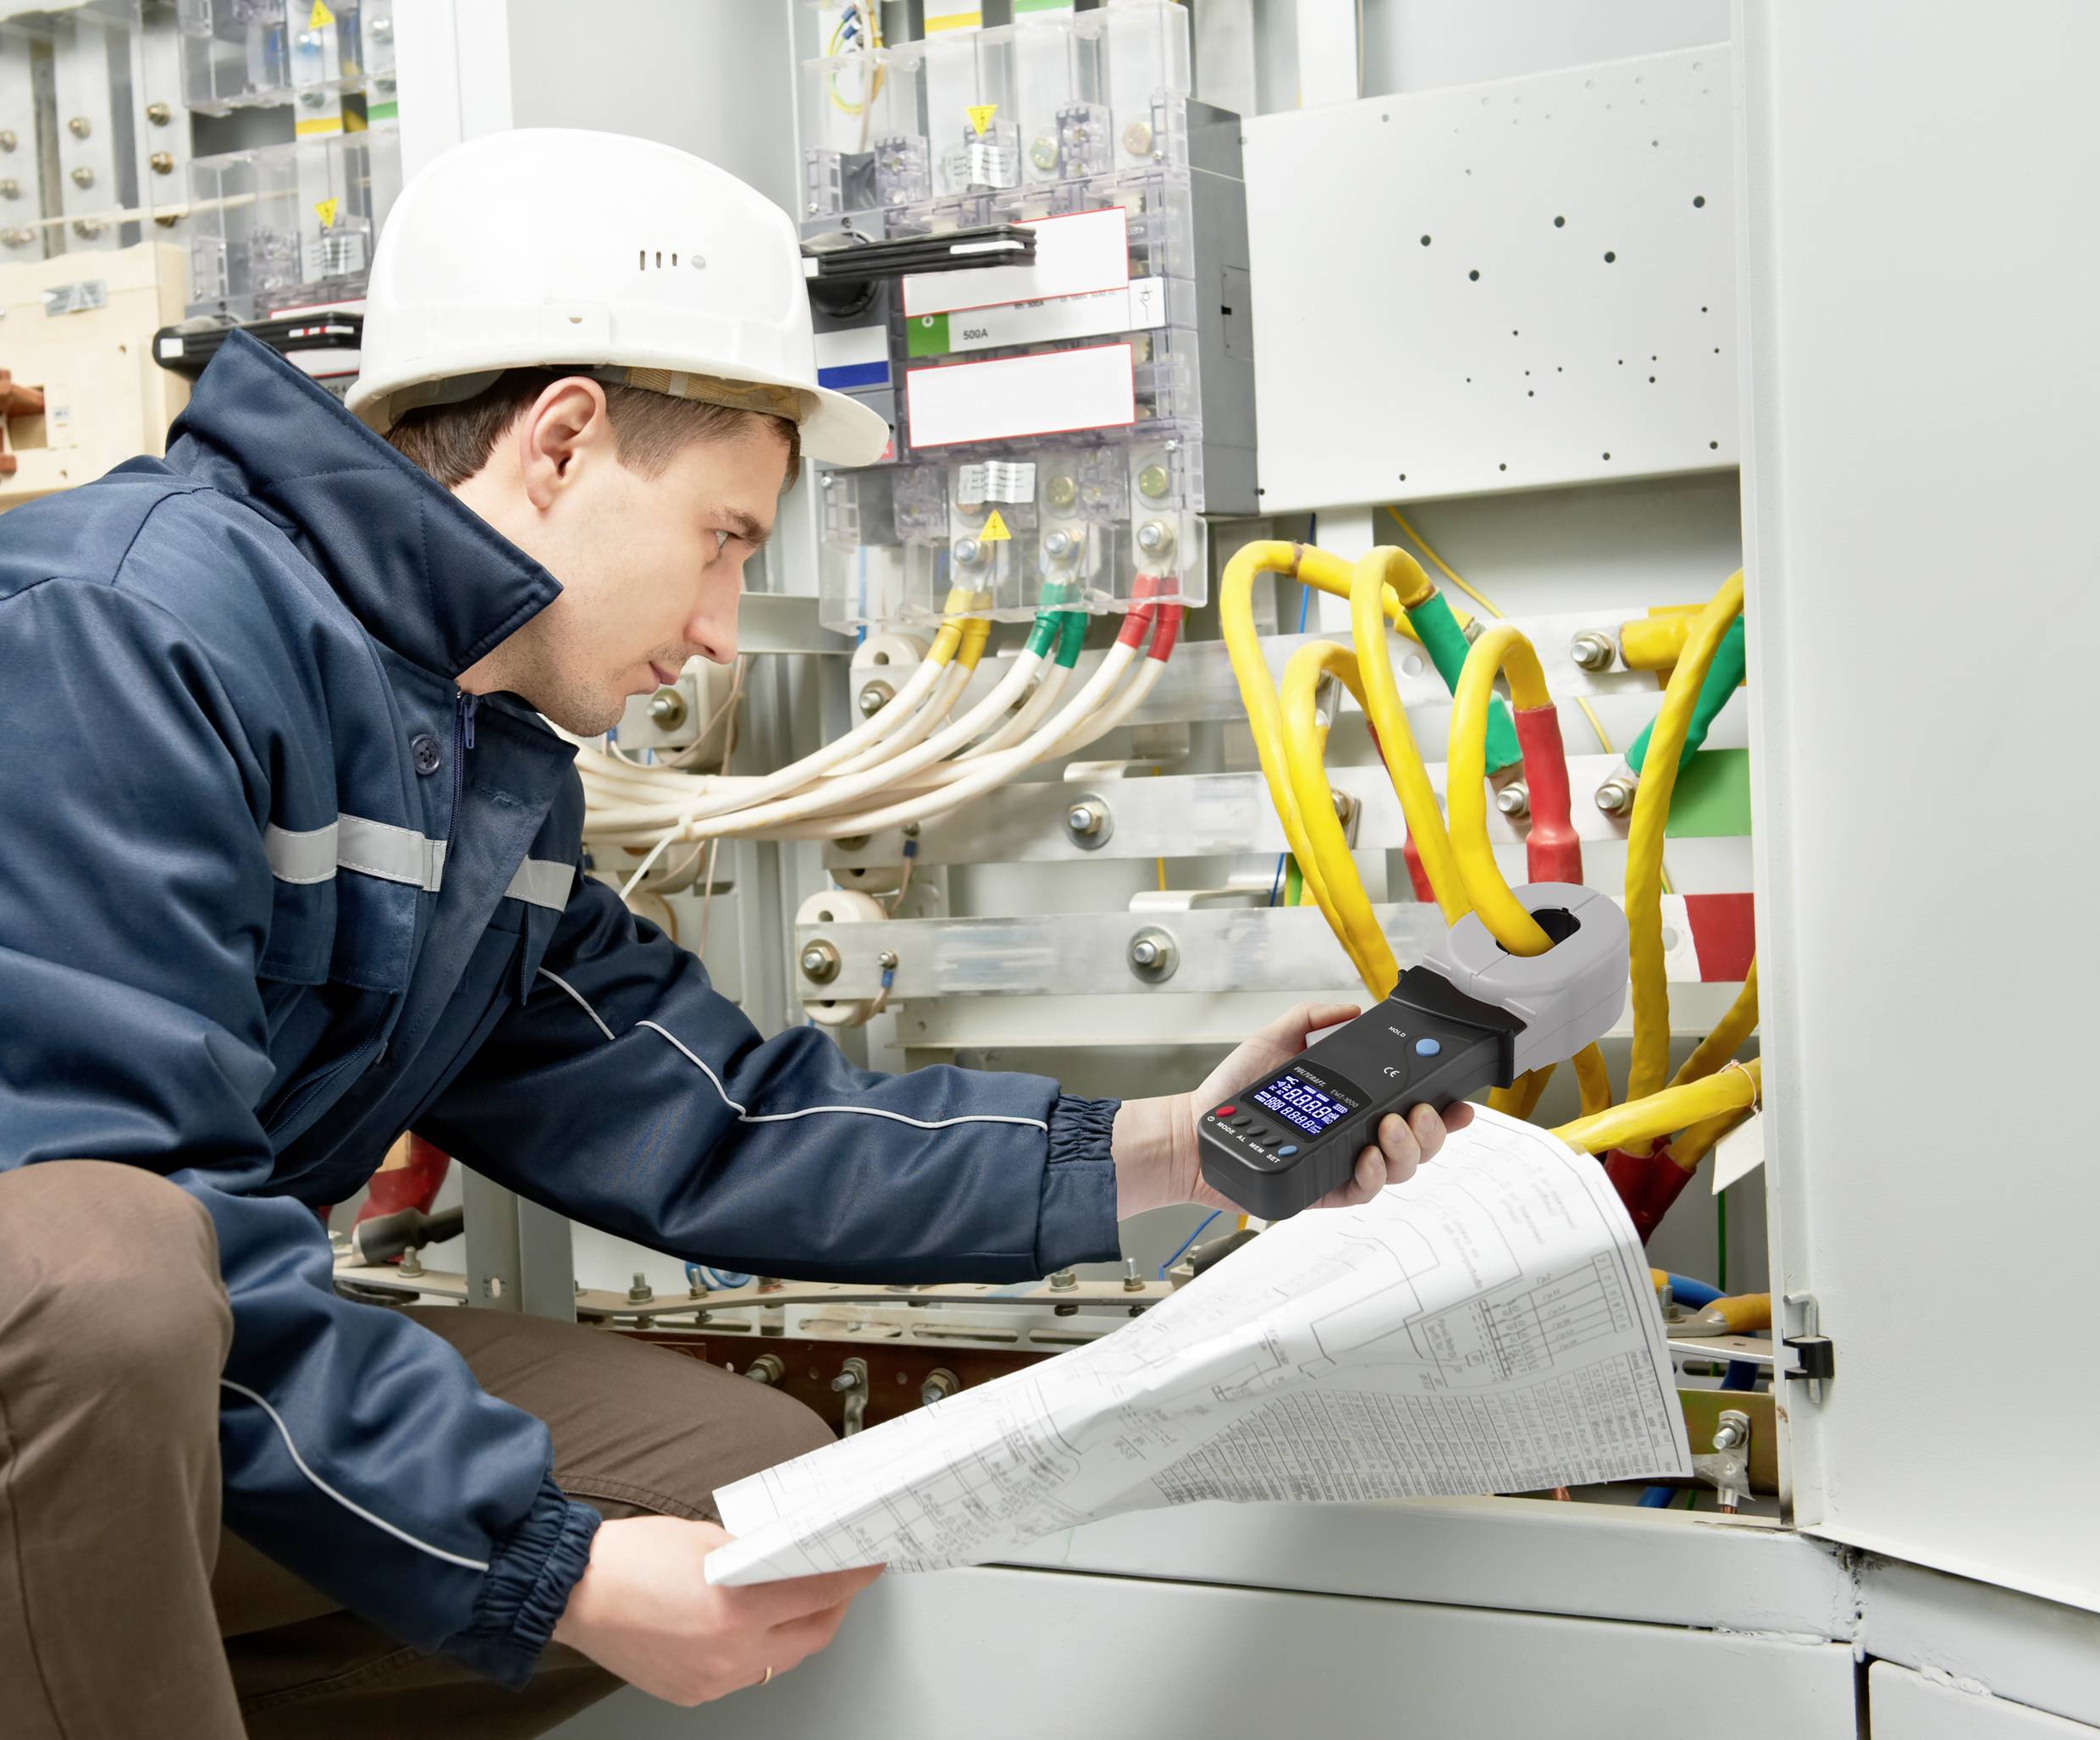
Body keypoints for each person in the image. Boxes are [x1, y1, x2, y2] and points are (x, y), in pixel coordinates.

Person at [0, 130, 1466, 1737]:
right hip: (70, 1346)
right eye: (728, 538)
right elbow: (113, 1212)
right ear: (561, 444)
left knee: (746, 1505)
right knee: (111, 1269)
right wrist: (543, 1566)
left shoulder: (471, 757)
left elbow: (721, 1115)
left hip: (116, 1405)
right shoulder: (117, 635)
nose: (716, 629)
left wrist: (1177, 1147)